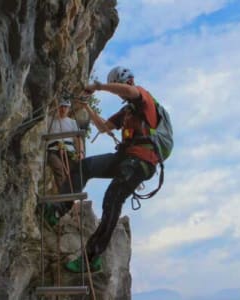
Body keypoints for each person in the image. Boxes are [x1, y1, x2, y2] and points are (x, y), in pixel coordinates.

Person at [46, 66, 160, 272]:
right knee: (85, 166)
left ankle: (92, 258)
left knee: (112, 200)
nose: (117, 93)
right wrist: (87, 107)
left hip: (141, 161)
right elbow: (104, 127)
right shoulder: (126, 112)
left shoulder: (143, 98)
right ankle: (57, 209)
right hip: (125, 158)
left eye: (117, 89)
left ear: (125, 81)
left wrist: (98, 87)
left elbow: (129, 92)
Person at [44, 99, 84, 225]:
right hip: (53, 150)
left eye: (65, 107)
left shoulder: (72, 123)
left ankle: (67, 203)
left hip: (69, 151)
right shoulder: (50, 120)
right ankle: (65, 203)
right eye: (61, 106)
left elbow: (78, 138)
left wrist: (81, 152)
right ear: (58, 107)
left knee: (73, 176)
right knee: (59, 169)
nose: (63, 109)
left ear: (69, 108)